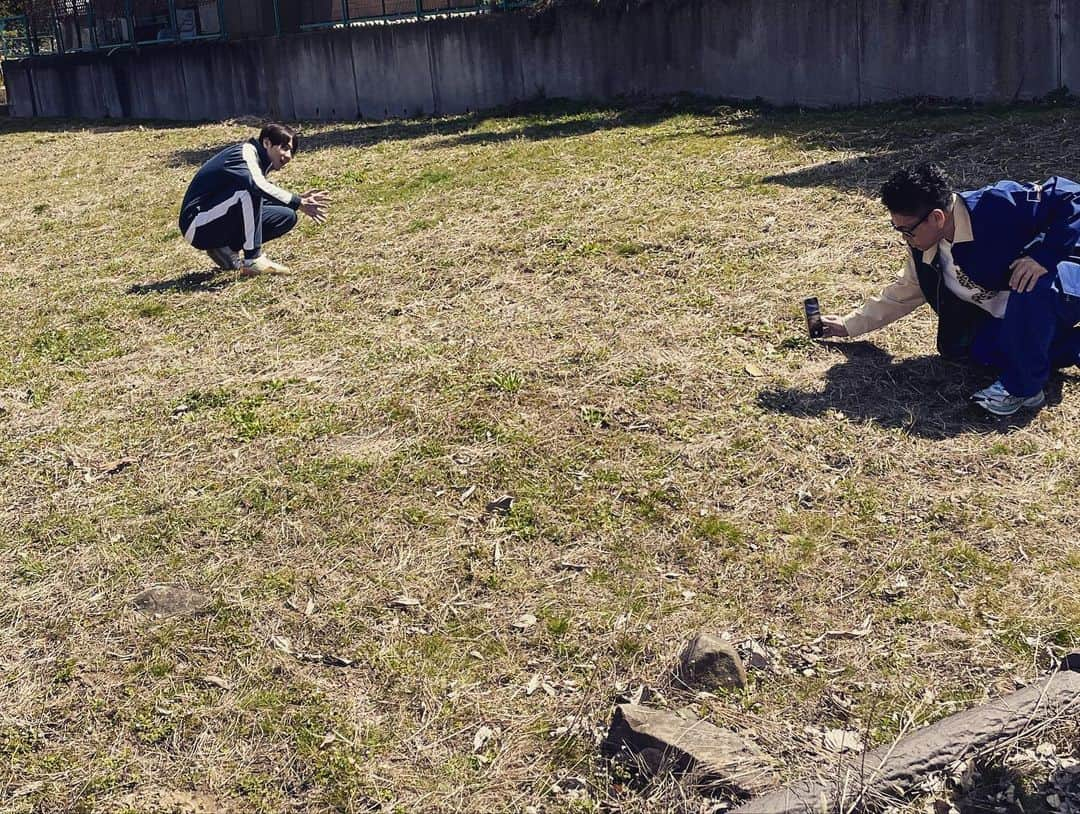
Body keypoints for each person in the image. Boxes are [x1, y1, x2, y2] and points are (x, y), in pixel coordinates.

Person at [820, 163, 1080, 416]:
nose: (903, 238)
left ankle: (1023, 389)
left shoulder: (998, 203)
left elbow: (1072, 194)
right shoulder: (927, 248)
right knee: (977, 348)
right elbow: (904, 291)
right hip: (1018, 316)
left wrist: (1044, 256)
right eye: (897, 229)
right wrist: (849, 325)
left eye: (907, 230)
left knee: (1030, 282)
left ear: (936, 217)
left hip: (1064, 284)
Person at [178, 123, 330, 274]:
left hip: (214, 218)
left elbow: (255, 194)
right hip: (196, 224)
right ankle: (253, 260)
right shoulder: (245, 153)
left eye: (292, 152)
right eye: (285, 148)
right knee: (251, 190)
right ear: (266, 143)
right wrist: (298, 202)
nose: (289, 157)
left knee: (286, 216)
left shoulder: (256, 162)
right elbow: (256, 186)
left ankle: (226, 249)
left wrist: (294, 201)